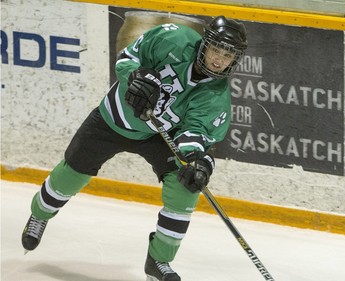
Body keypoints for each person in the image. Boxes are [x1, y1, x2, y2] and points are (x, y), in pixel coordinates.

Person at [21, 15, 248, 281]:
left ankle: (158, 261)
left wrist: (197, 159)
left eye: (227, 56)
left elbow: (194, 133)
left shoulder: (216, 95)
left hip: (157, 136)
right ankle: (40, 214)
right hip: (111, 120)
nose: (219, 60)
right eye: (216, 50)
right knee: (71, 174)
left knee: (185, 185)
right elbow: (128, 58)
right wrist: (135, 78)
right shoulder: (172, 38)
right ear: (204, 44)